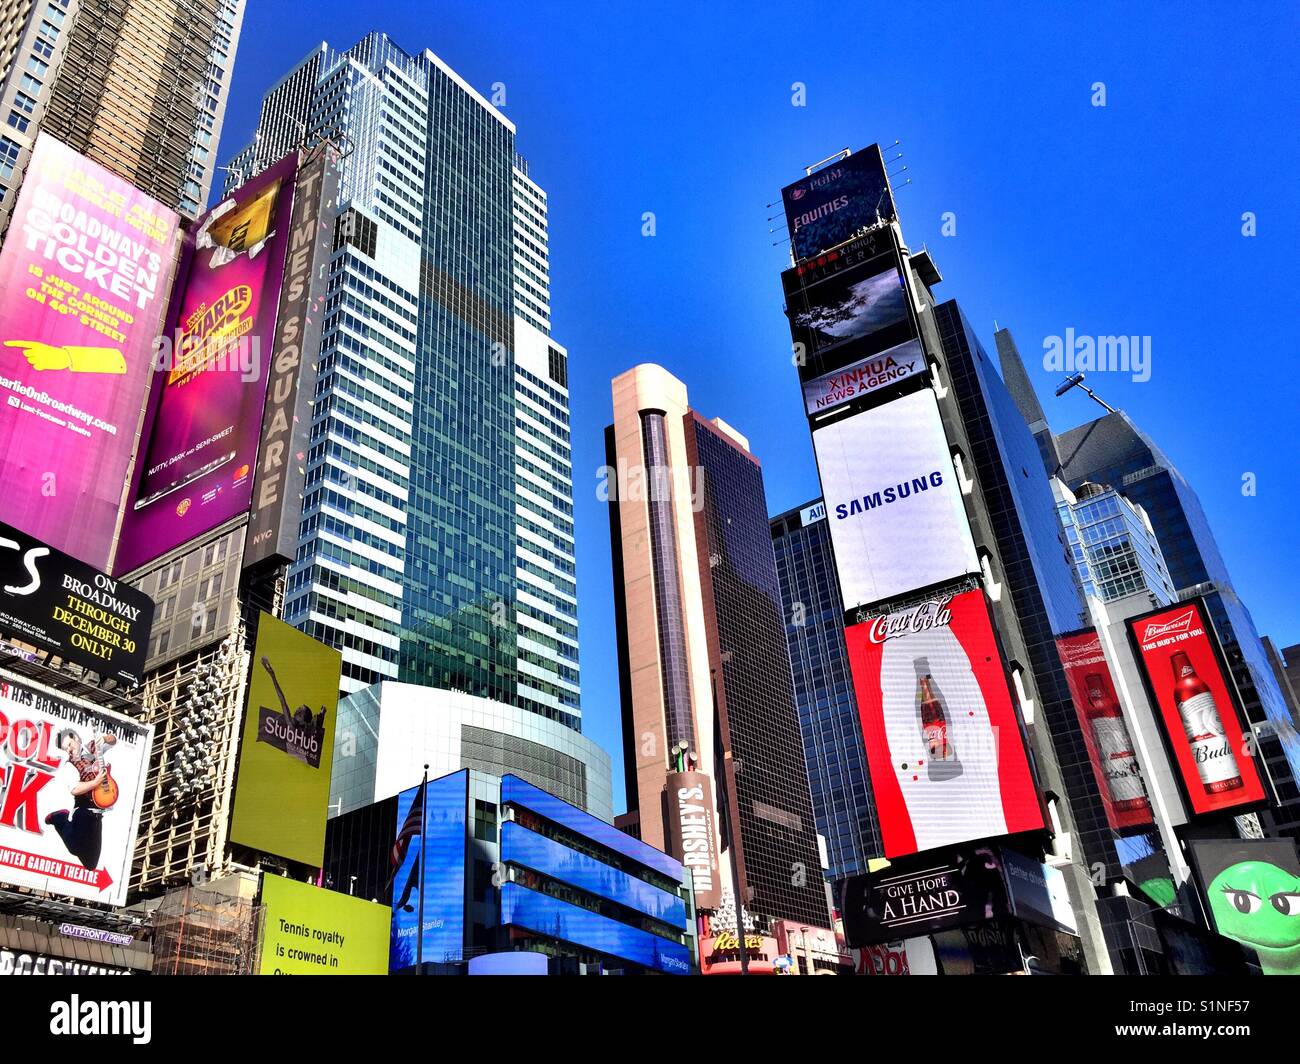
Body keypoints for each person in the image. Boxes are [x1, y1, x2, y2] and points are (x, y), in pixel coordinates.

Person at [43, 729, 116, 870]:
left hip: (97, 813)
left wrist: (106, 738)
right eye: (66, 749)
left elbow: (114, 740)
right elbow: (75, 789)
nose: (70, 750)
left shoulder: (93, 747)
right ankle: (60, 819)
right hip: (83, 811)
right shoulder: (70, 765)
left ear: (75, 737)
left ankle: (62, 821)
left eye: (70, 745)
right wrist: (95, 783)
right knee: (74, 848)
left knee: (90, 864)